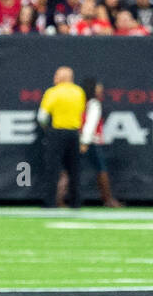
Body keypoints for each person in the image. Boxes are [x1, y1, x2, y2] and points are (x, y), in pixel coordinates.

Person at [37, 66, 85, 209]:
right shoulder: (79, 92)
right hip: (74, 134)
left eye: (57, 75)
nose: (54, 78)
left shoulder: (53, 92)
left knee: (53, 169)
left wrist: (46, 128)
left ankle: (50, 202)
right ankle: (75, 202)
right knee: (74, 170)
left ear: (63, 77)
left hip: (57, 133)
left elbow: (42, 116)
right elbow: (82, 114)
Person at [79, 78, 122, 208]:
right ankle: (108, 200)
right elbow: (90, 124)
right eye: (98, 88)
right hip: (90, 141)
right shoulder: (93, 104)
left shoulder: (79, 101)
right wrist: (85, 142)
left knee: (69, 170)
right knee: (101, 169)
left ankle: (58, 199)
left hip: (78, 139)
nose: (101, 90)